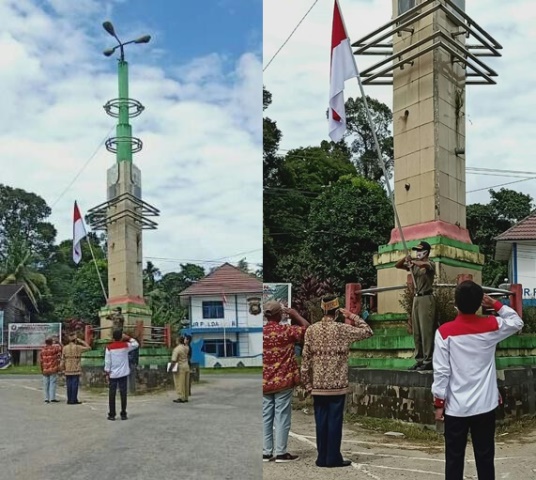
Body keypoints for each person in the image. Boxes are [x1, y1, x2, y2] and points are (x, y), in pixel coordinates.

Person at [432, 281, 524, 480]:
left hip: (456, 407)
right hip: (485, 404)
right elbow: (517, 322)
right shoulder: (492, 325)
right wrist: (495, 304)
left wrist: (439, 402)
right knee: (485, 456)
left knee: (454, 458)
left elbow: (441, 372)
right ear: (480, 303)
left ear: (455, 304)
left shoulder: (444, 332)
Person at [301, 295, 373, 468]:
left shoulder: (312, 330)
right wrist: (352, 315)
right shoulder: (342, 329)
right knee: (335, 421)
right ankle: (333, 457)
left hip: (318, 386)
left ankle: (322, 457)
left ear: (322, 309)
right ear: (337, 311)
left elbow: (305, 360)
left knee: (321, 422)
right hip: (337, 385)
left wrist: (307, 384)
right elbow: (368, 331)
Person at [263, 301, 310, 463]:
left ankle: (266, 451)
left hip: (263, 383)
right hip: (283, 380)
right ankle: (281, 452)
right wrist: (296, 315)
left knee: (266, 416)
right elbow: (308, 330)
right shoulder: (286, 331)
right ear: (279, 315)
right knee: (282, 416)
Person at [395, 240, 436, 371]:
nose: (418, 253)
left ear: (426, 252)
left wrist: (413, 261)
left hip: (426, 298)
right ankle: (419, 360)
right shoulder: (414, 266)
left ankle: (428, 360)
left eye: (420, 250)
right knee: (417, 331)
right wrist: (405, 259)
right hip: (416, 298)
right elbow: (398, 265)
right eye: (416, 250)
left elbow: (425, 265)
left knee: (426, 331)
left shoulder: (430, 264)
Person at [104, 330, 139, 420]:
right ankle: (123, 413)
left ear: (113, 337)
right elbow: (136, 344)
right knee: (123, 394)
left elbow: (107, 362)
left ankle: (112, 414)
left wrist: (107, 373)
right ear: (121, 337)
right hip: (123, 373)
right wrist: (128, 337)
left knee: (112, 395)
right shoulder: (125, 346)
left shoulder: (109, 348)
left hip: (113, 374)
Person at [62, 334, 91, 405]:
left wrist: (62, 367)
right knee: (74, 384)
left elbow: (63, 359)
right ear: (75, 340)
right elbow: (89, 348)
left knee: (69, 384)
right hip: (75, 367)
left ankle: (69, 399)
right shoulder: (78, 347)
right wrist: (81, 341)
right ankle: (74, 399)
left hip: (68, 366)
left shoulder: (65, 348)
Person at [39, 337, 63, 403]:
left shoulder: (42, 350)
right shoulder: (54, 349)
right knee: (52, 383)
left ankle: (46, 398)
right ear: (51, 342)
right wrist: (59, 343)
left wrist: (42, 370)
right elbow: (62, 349)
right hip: (53, 369)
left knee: (45, 384)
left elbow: (41, 361)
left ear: (45, 342)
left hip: (45, 369)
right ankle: (52, 398)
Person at [170, 336, 190, 404]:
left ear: (178, 341)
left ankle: (181, 397)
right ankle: (186, 397)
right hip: (186, 366)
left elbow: (173, 360)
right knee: (186, 383)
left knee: (179, 382)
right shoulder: (186, 347)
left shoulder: (177, 349)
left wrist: (172, 368)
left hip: (180, 367)